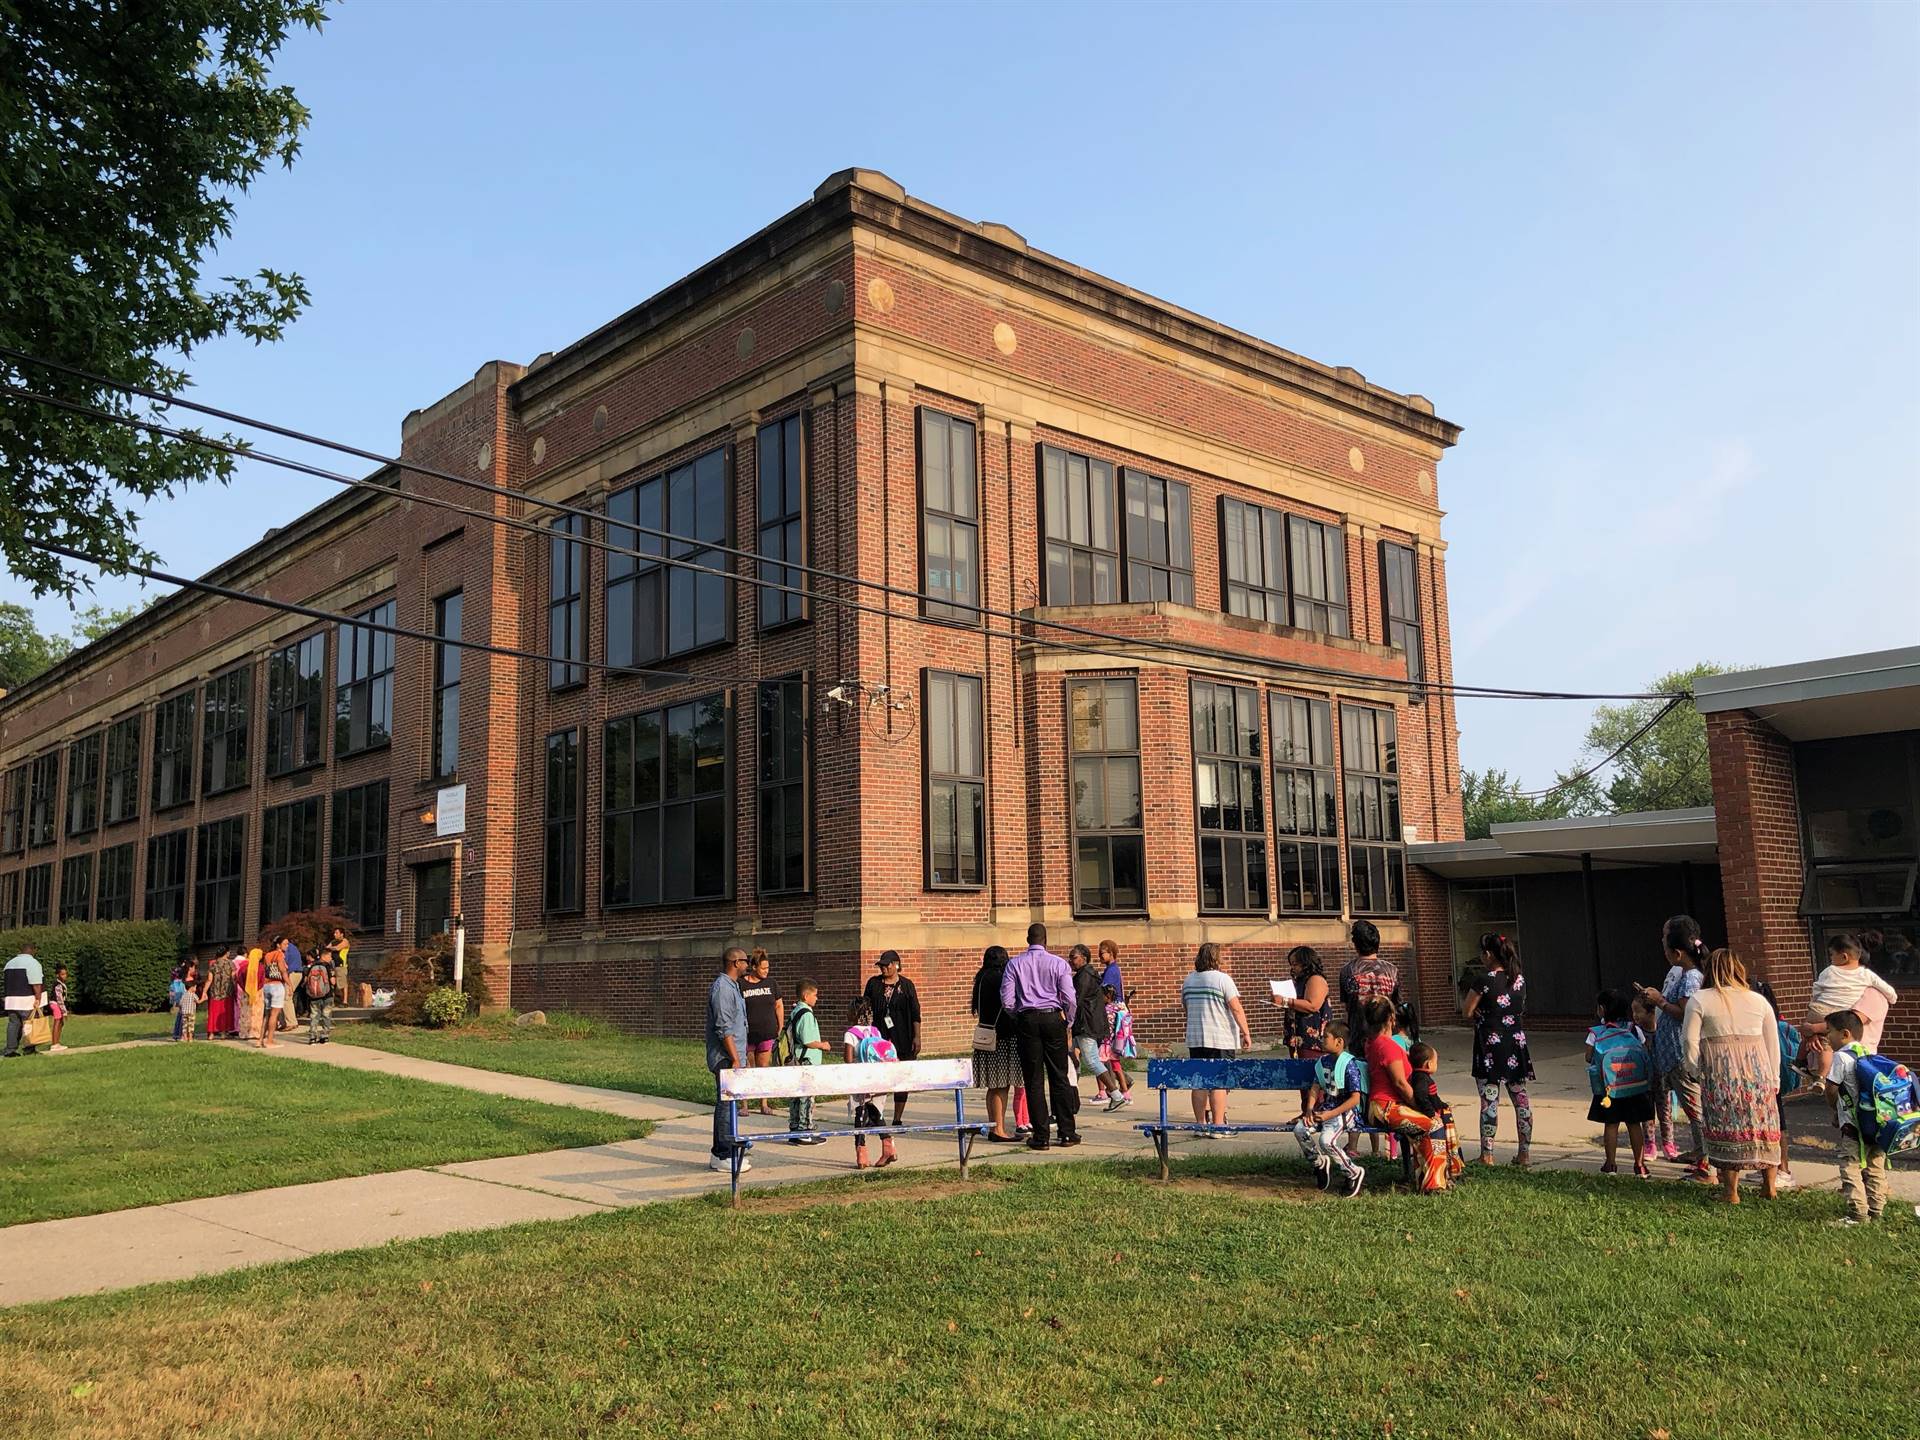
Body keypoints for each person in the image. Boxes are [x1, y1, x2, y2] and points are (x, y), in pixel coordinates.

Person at [1681, 947, 1781, 1205]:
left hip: (1720, 1071)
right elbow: (1773, 1042)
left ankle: (1731, 1192)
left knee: (1725, 1127)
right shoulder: (1758, 1001)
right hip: (1757, 1071)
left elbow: (1689, 1040)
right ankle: (1769, 1184)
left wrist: (1694, 1069)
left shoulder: (1700, 999)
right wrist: (1774, 1077)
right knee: (1762, 1126)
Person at [1637, 916, 1711, 1181]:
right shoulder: (1681, 973)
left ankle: (1707, 1165)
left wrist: (1659, 1001)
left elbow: (1684, 1013)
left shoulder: (1692, 977)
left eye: (1664, 939)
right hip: (1672, 1055)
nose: (1661, 944)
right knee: (1693, 1110)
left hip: (1683, 1056)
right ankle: (1702, 1155)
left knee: (1696, 1110)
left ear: (1677, 952)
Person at [1001, 923, 1079, 1151]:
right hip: (1053, 1017)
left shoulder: (1014, 964)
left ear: (1028, 939)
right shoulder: (1059, 964)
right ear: (1045, 940)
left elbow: (1007, 1000)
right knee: (1059, 1076)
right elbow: (1069, 997)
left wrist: (1019, 1016)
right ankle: (1067, 1133)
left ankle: (1041, 1135)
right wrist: (1068, 1020)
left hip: (1027, 1019)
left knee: (1033, 1079)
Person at [1462, 932, 1534, 1167]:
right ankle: (1524, 1153)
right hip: (1516, 1043)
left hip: (1489, 1046)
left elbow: (1467, 1011)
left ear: (1489, 954)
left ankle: (1487, 1154)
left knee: (1489, 1100)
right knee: (1520, 1099)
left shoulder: (1484, 980)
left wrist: (1482, 1010)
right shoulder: (1519, 979)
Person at [1820, 1010, 1889, 1226]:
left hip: (1852, 1125)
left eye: (1829, 1032)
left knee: (1850, 1166)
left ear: (1845, 1033)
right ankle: (1876, 1209)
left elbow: (1831, 1088)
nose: (1827, 1037)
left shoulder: (1841, 1056)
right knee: (1875, 1166)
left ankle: (1857, 1214)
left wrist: (1834, 1111)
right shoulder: (1867, 1053)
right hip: (1876, 1123)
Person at [1181, 943, 1252, 1130]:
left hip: (1196, 1038)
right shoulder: (1223, 980)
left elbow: (1186, 1008)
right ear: (1216, 958)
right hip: (1221, 1038)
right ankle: (1219, 1125)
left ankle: (1200, 1124)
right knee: (1219, 1083)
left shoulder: (1188, 980)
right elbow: (1236, 1008)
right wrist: (1245, 1032)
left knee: (1199, 1082)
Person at [1585, 989, 1654, 1178]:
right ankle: (1640, 1165)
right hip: (1634, 1086)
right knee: (1634, 1123)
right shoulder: (1634, 1029)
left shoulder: (1597, 1032)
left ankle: (1611, 1164)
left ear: (1601, 1009)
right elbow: (1643, 1049)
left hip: (1610, 1089)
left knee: (1611, 1124)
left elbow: (1588, 1056)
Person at [1292, 1020, 1365, 1198]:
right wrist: (1309, 1109)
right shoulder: (1322, 1062)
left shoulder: (1349, 1065)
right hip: (1325, 1110)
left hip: (1343, 1113)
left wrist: (1330, 1115)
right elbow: (1316, 1087)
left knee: (1327, 1141)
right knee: (1300, 1129)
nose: (1321, 1040)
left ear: (1339, 1042)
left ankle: (1353, 1172)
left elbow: (1355, 1099)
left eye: (1325, 1037)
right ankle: (1319, 1163)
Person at [1362, 996, 1439, 1144]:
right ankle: (1436, 1167)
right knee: (1435, 1126)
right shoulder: (1387, 1046)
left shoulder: (1372, 1042)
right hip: (1387, 1107)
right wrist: (1421, 1107)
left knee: (1443, 1116)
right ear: (1391, 1018)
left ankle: (1440, 1166)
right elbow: (1400, 1084)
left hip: (1381, 1106)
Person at [1806, 933, 1899, 1054]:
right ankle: (1813, 1067)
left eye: (1832, 955)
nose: (1831, 958)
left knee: (1819, 1044)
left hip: (1823, 1012)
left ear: (1844, 956)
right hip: (1842, 1028)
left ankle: (1800, 1061)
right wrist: (1893, 998)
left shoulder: (1829, 971)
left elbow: (1850, 1021)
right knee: (1825, 1047)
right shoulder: (1867, 976)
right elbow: (1890, 993)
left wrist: (1813, 1028)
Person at [969, 945, 1023, 1143]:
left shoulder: (981, 978)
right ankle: (999, 1129)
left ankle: (993, 1124)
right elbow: (1009, 1003)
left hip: (985, 1034)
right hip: (1002, 1037)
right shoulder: (1001, 978)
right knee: (1002, 1086)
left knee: (993, 1087)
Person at [862, 951, 922, 1127]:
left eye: (887, 965)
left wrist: (917, 1036)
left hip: (903, 1037)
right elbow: (866, 1009)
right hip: (879, 1038)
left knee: (902, 1077)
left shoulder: (907, 986)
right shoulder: (874, 984)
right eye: (881, 965)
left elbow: (915, 1014)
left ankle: (897, 1118)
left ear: (896, 964)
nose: (884, 968)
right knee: (876, 1078)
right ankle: (874, 1115)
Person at [704, 947, 751, 1174]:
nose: (748, 964)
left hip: (735, 1057)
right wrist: (734, 1058)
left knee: (729, 1105)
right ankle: (723, 1153)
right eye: (745, 961)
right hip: (725, 1058)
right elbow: (723, 1028)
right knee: (725, 1105)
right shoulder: (722, 988)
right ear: (735, 962)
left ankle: (724, 1149)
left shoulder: (733, 986)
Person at [1753, 978, 1800, 1189]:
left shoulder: (1761, 1018)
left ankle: (1782, 1169)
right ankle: (1776, 1168)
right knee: (1775, 1121)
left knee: (1776, 1123)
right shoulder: (1772, 1016)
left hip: (1767, 1077)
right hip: (1773, 1077)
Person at [844, 997, 900, 1169]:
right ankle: (888, 1147)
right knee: (875, 1112)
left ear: (854, 1014)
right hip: (877, 1079)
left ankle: (861, 1155)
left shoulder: (851, 1033)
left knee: (860, 1115)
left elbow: (848, 1059)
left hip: (861, 1079)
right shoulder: (876, 1031)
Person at [1068, 944, 1119, 1111]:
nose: (1071, 961)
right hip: (1086, 1024)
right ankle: (1071, 1095)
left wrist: (1067, 1019)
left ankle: (1116, 1095)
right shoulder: (1087, 974)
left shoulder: (1085, 976)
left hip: (1086, 1025)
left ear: (1083, 957)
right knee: (1072, 1058)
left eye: (1074, 957)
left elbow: (1075, 1000)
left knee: (1092, 1061)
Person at [1407, 1040, 1465, 1184]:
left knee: (1450, 1142)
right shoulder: (1421, 1079)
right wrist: (1431, 1113)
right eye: (1436, 1061)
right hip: (1435, 1118)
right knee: (1444, 1144)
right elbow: (1421, 1096)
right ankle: (1448, 1171)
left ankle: (1453, 1169)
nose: (1436, 1064)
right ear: (1428, 1064)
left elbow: (1433, 1097)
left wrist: (1443, 1105)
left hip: (1439, 1113)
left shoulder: (1421, 1078)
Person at [782, 978, 829, 1143]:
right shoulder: (806, 1014)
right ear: (805, 995)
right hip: (806, 1061)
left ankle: (794, 1128)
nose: (817, 998)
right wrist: (823, 1045)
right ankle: (805, 1130)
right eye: (815, 995)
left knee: (796, 1096)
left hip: (797, 1060)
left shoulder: (795, 1011)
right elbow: (808, 1040)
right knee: (807, 1097)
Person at [1338, 919, 1401, 1034]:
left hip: (1359, 1035)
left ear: (1356, 944)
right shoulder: (1392, 970)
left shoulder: (1347, 971)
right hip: (1386, 1034)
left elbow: (1348, 1006)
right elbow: (1395, 1004)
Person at [741, 951, 784, 1115]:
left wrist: (780, 1026)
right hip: (747, 1034)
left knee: (763, 1069)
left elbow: (779, 1005)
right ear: (753, 967)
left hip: (767, 1033)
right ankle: (744, 1104)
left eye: (768, 968)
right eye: (763, 968)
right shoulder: (741, 984)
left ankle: (763, 1103)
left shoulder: (771, 983)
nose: (767, 971)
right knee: (747, 1069)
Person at [1276, 944, 1332, 1061]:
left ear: (1306, 963)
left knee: (1309, 1071)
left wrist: (1286, 1000)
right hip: (1297, 1037)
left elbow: (1313, 1005)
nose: (1292, 968)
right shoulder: (1300, 981)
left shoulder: (1315, 979)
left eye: (1295, 964)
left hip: (1311, 1040)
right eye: (1291, 964)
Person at [1630, 989, 1665, 1165]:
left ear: (1651, 1012)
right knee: (1647, 1113)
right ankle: (1650, 1144)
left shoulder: (1662, 1029)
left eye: (1638, 1011)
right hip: (1644, 1078)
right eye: (1633, 1011)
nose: (1635, 1015)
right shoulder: (1634, 1031)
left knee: (1664, 1111)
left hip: (1662, 1076)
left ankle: (1669, 1143)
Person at [3, 942, 45, 1057]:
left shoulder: (9, 963)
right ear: (32, 950)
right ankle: (29, 1048)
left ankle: (10, 1050)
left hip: (11, 1000)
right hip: (26, 1000)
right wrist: (38, 998)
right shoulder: (33, 963)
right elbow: (36, 983)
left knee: (13, 1024)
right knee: (29, 1024)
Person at [1104, 984, 1137, 1102]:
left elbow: (1106, 1027)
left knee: (1109, 1067)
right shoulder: (1118, 1008)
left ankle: (1117, 1090)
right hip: (1117, 1041)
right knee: (1116, 1066)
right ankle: (1124, 1090)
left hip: (1108, 1043)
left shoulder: (1107, 1010)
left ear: (1107, 996)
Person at [257, 943, 287, 1050]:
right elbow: (283, 970)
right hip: (276, 985)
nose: (287, 946)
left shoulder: (267, 955)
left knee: (267, 1014)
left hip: (267, 985)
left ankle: (260, 1040)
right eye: (285, 943)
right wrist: (290, 984)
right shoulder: (279, 954)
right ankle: (269, 1040)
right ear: (278, 945)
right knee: (274, 1014)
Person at [303, 946, 335, 1044]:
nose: (331, 958)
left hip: (313, 996)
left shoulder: (311, 966)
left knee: (314, 1015)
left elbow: (305, 981)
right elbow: (332, 982)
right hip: (327, 995)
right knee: (326, 1015)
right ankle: (325, 1035)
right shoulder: (327, 966)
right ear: (324, 956)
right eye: (330, 956)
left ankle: (312, 1036)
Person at [205, 947, 236, 1040]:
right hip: (227, 992)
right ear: (226, 953)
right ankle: (223, 1033)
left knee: (213, 1013)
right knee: (224, 1012)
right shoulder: (231, 964)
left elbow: (209, 980)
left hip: (215, 992)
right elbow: (233, 978)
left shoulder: (213, 964)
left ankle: (211, 1034)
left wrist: (204, 991)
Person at [281, 932, 305, 1027]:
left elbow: (284, 964)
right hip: (297, 973)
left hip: (292, 973)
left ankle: (291, 1022)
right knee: (287, 997)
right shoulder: (293, 948)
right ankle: (287, 1022)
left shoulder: (287, 949)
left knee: (286, 998)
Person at [323, 927, 351, 1008]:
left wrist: (328, 948)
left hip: (341, 965)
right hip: (333, 965)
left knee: (343, 983)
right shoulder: (333, 941)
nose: (334, 934)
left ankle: (345, 1001)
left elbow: (337, 948)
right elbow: (327, 948)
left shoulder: (345, 941)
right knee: (333, 983)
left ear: (341, 934)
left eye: (336, 933)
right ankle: (332, 1001)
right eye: (334, 933)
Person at [47, 962, 69, 1052]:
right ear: (58, 975)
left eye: (65, 974)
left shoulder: (61, 983)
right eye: (62, 974)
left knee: (61, 1023)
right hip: (55, 1004)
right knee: (57, 1021)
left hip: (56, 1004)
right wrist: (64, 1012)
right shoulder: (58, 984)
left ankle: (57, 1042)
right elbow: (59, 999)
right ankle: (54, 1044)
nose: (65, 976)